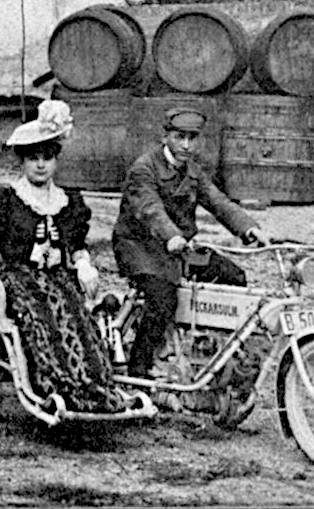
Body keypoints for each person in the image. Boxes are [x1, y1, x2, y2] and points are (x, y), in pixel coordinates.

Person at [0, 99, 125, 413]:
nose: (40, 165)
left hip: (56, 276)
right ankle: (59, 389)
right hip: (17, 277)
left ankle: (96, 388)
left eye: (47, 158)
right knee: (44, 319)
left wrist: (83, 264)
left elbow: (76, 245)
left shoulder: (67, 202)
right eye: (33, 159)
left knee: (79, 320)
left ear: (56, 161)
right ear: (23, 162)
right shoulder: (4, 201)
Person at [112, 107, 271, 379]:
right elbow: (151, 209)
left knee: (233, 277)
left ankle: (210, 355)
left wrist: (249, 229)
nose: (186, 145)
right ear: (165, 137)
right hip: (141, 248)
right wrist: (172, 235)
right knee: (163, 299)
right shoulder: (143, 169)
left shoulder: (193, 172)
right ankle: (138, 371)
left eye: (192, 138)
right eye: (179, 137)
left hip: (178, 249)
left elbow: (218, 202)